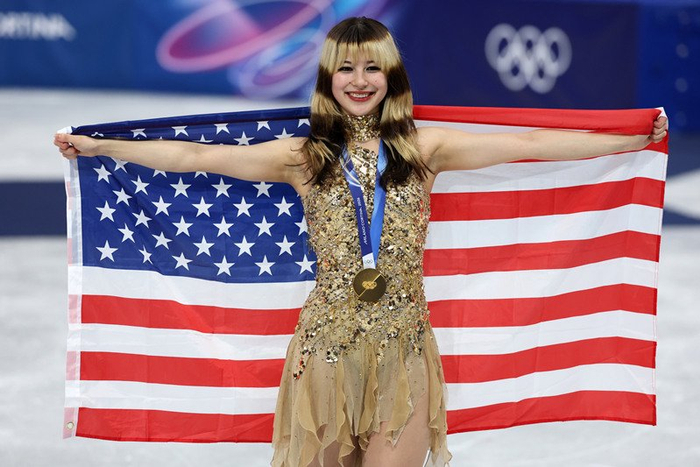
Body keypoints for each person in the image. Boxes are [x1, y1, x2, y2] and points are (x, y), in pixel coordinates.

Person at [55, 16, 667, 467]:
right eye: (345, 67)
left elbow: (528, 145)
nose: (359, 79)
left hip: (405, 350)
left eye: (372, 66)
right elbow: (195, 156)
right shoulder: (304, 157)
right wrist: (99, 145)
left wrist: (630, 139)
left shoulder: (424, 149)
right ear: (327, 77)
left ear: (391, 74)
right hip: (325, 350)